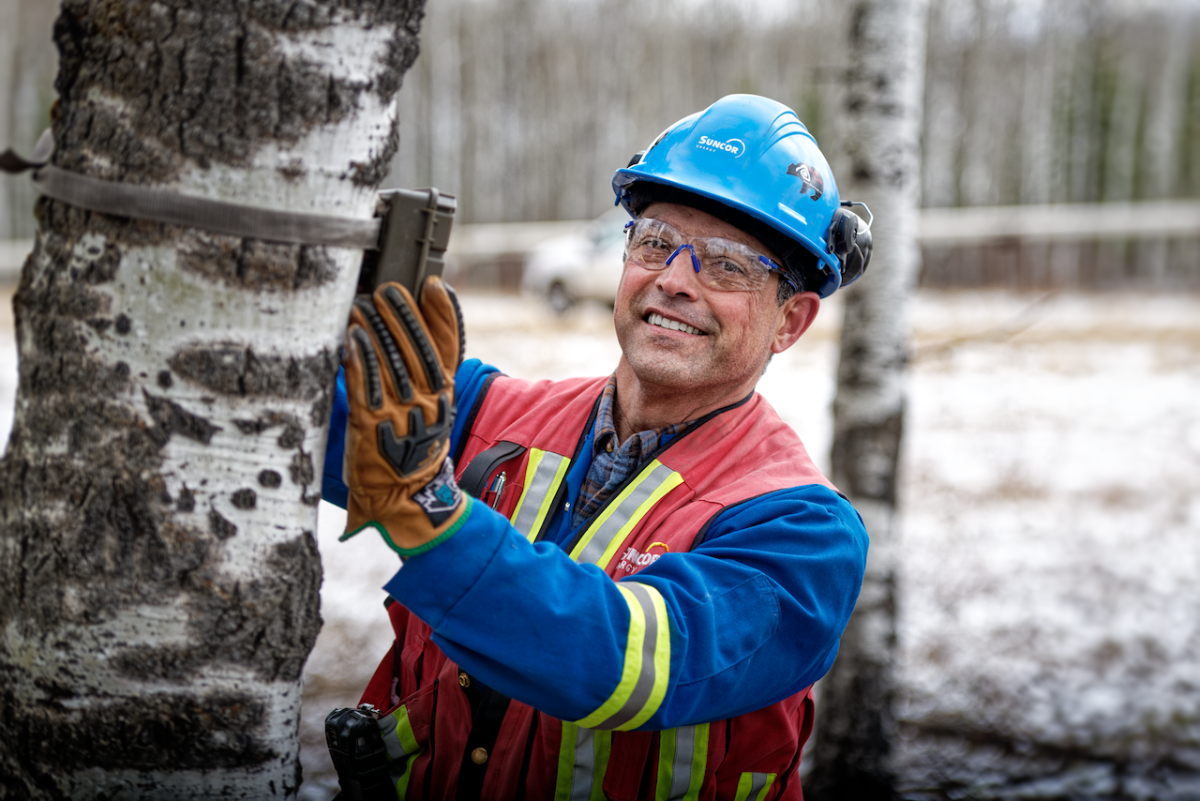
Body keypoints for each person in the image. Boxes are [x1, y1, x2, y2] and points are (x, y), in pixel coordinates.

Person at [322, 94, 872, 801]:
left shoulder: (803, 534)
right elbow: (290, 412)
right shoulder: (488, 415)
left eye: (726, 264)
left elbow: (621, 659)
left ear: (790, 321)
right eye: (653, 241)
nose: (673, 279)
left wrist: (427, 513)